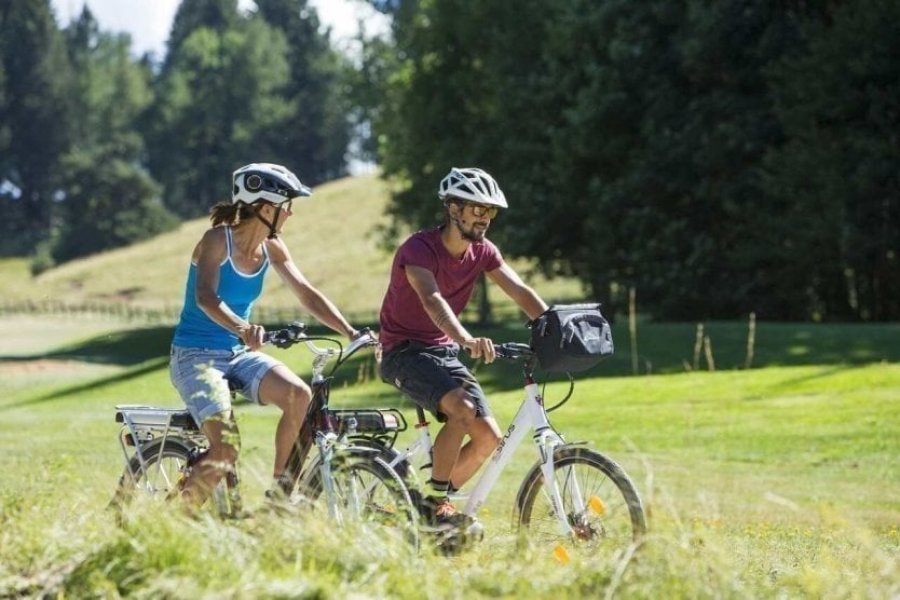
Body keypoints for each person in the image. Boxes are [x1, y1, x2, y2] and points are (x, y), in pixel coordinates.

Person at [170, 162, 359, 509]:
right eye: (288, 206)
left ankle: (279, 497)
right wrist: (242, 328)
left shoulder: (273, 246)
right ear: (267, 207)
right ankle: (166, 525)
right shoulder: (216, 241)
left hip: (237, 354)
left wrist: (349, 331)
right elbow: (206, 297)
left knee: (298, 396)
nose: (290, 214)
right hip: (194, 356)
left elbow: (305, 292)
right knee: (225, 449)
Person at [378, 167, 548, 528]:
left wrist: (554, 325)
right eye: (477, 209)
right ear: (454, 209)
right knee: (461, 409)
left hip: (441, 353)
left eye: (490, 212)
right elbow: (432, 299)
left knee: (488, 438)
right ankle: (439, 506)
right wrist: (466, 338)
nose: (485, 218)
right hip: (402, 352)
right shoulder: (419, 249)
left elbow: (519, 291)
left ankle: (427, 507)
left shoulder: (483, 251)